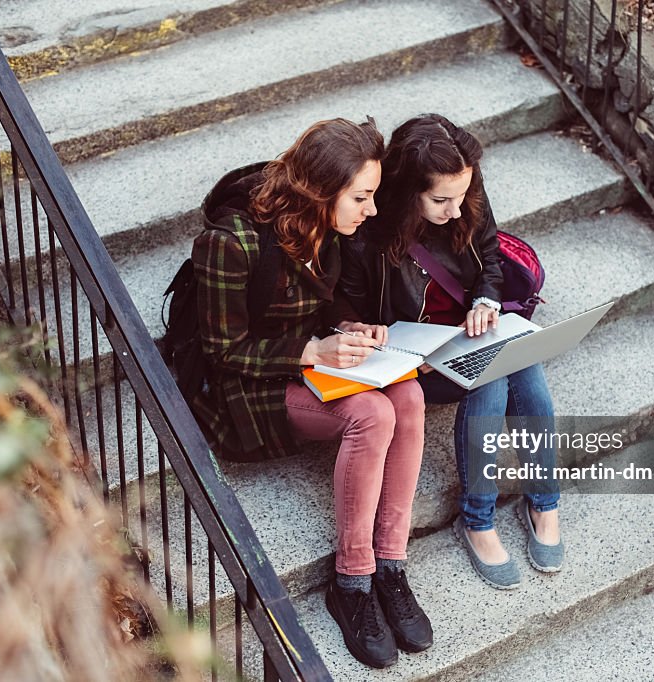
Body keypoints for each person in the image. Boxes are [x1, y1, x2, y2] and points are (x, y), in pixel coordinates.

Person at [189, 118, 432, 668]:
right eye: (362, 197)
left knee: (409, 396)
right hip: (248, 389)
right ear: (322, 192)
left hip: (309, 366)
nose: (371, 210)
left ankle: (390, 565)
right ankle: (351, 582)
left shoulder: (328, 229)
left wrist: (349, 328)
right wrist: (310, 352)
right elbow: (223, 351)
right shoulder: (230, 243)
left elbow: (321, 308)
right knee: (372, 412)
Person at [340, 113, 563, 591]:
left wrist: (486, 300)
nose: (457, 211)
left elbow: (490, 259)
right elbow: (353, 311)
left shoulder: (465, 191)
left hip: (470, 331)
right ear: (406, 192)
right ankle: (478, 519)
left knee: (524, 365)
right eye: (441, 201)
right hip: (414, 355)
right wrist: (389, 339)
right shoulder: (370, 238)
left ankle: (544, 502)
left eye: (462, 197)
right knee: (493, 375)